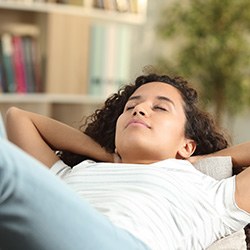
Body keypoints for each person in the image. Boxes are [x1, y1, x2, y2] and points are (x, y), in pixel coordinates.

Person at [2, 73, 250, 250]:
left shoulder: (210, 194)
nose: (139, 110)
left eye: (160, 108)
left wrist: (204, 159)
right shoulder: (77, 173)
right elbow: (18, 118)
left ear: (186, 145)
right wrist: (106, 155)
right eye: (131, 106)